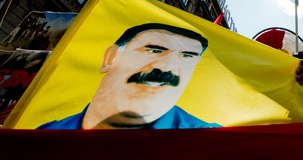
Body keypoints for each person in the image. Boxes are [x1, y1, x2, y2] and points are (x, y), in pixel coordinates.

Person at [38, 23, 221, 129]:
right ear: (110, 57)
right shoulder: (43, 136)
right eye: (155, 50)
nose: (166, 67)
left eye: (187, 56)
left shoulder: (214, 142)